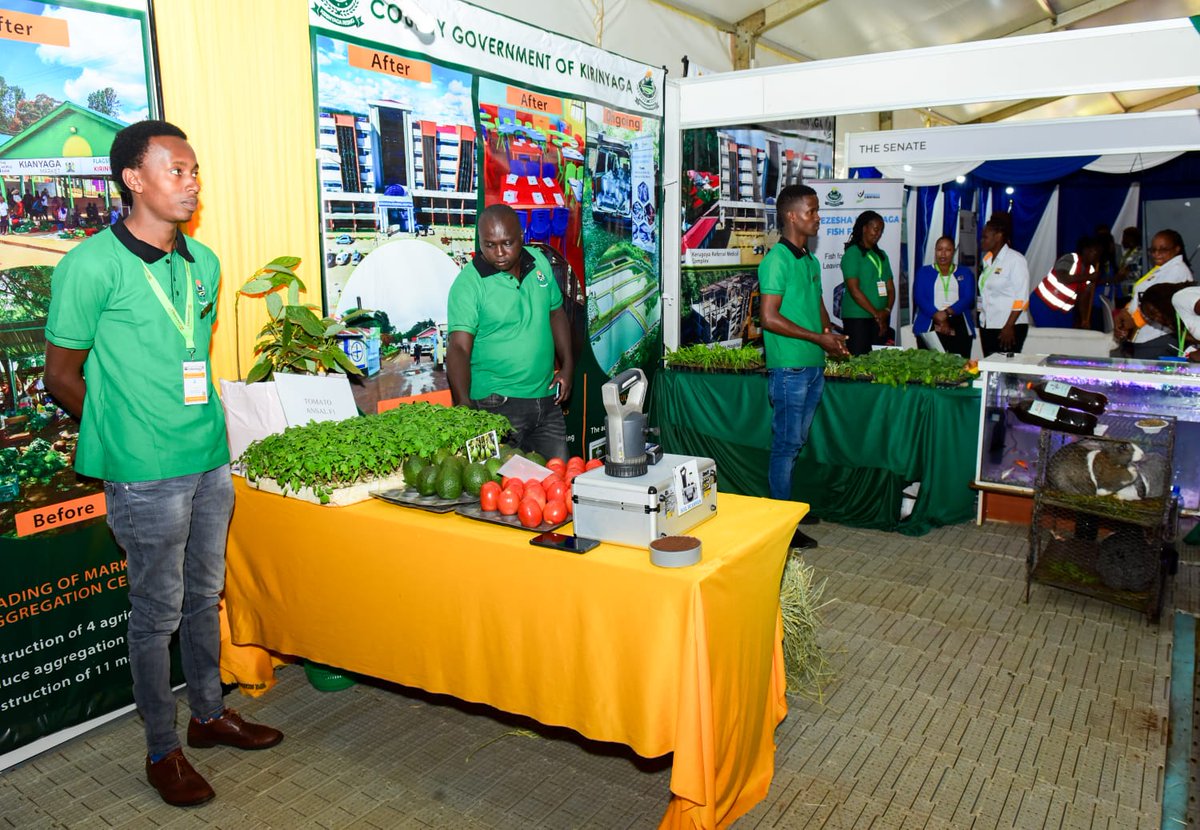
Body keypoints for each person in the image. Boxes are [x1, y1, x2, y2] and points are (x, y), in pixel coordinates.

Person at [43, 120, 282, 809]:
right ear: (132, 179)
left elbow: (192, 355)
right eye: (176, 170)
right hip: (143, 472)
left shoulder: (202, 264)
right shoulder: (88, 267)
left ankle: (208, 716)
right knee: (155, 612)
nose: (191, 182)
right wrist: (122, 433)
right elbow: (62, 374)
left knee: (205, 595)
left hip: (208, 457)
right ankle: (161, 748)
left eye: (195, 170)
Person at [758, 185, 849, 549]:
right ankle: (782, 523)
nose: (817, 217)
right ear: (792, 216)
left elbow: (818, 305)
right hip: (790, 368)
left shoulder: (809, 261)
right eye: (811, 211)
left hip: (812, 365)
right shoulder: (776, 260)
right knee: (785, 445)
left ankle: (787, 507)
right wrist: (818, 339)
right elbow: (768, 318)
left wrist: (831, 334)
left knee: (795, 443)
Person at [447, 203, 572, 461]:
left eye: (507, 243)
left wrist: (568, 366)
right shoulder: (468, 284)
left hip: (547, 402)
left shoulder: (539, 263)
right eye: (489, 244)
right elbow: (458, 347)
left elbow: (556, 312)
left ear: (522, 236)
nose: (499, 253)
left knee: (558, 485)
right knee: (490, 487)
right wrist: (464, 408)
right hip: (493, 406)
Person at [1112, 229, 1193, 359]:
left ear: (1177, 249)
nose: (1156, 254)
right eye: (1153, 250)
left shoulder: (1177, 270)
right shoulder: (1161, 269)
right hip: (1145, 337)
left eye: (1163, 250)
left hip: (1158, 338)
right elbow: (1140, 296)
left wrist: (1132, 322)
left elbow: (1158, 305)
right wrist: (1125, 313)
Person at [839, 210, 894, 355]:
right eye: (875, 229)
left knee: (879, 363)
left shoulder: (882, 255)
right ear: (864, 228)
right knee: (859, 363)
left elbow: (891, 289)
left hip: (881, 318)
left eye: (881, 230)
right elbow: (854, 290)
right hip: (858, 318)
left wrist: (886, 311)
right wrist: (877, 314)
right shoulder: (852, 253)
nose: (878, 234)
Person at [913, 236, 976, 358]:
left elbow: (967, 298)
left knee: (958, 367)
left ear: (953, 252)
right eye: (939, 249)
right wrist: (937, 315)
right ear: (935, 251)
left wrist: (946, 313)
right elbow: (919, 297)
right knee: (929, 366)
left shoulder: (965, 272)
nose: (943, 254)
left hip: (958, 323)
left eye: (948, 250)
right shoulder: (924, 272)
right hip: (929, 321)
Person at [977, 212, 1030, 356]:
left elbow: (1022, 298)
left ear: (999, 236)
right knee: (991, 368)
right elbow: (984, 293)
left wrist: (1008, 326)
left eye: (985, 237)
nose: (981, 241)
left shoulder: (1015, 260)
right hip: (988, 324)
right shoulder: (987, 260)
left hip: (1008, 327)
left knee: (1006, 371)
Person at [1027, 237, 1105, 330]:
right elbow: (1062, 278)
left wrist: (1084, 319)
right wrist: (1089, 277)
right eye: (1096, 252)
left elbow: (1083, 297)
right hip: (1043, 304)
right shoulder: (1070, 258)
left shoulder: (1091, 270)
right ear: (1086, 250)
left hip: (1063, 311)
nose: (1098, 256)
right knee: (1050, 335)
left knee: (1065, 336)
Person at [1138, 281, 1200, 362]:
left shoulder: (1180, 297)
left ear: (1162, 301)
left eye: (1154, 313)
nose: (1157, 319)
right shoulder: (1181, 322)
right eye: (1152, 319)